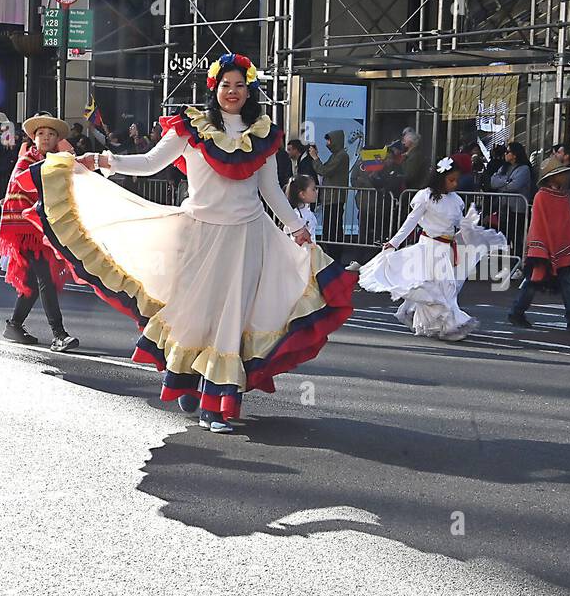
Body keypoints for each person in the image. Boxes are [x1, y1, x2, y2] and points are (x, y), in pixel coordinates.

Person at [60, 52, 352, 434]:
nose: (232, 92)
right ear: (214, 88)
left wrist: (296, 225)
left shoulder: (263, 132)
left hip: (248, 235)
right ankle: (186, 380)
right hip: (199, 233)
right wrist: (101, 160)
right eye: (226, 85)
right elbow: (150, 163)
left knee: (233, 315)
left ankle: (215, 403)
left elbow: (269, 190)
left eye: (240, 86)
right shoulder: (189, 126)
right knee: (196, 313)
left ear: (250, 91)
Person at [359, 156, 508, 340]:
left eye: (456, 180)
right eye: (451, 180)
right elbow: (411, 221)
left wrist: (472, 230)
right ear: (440, 179)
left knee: (447, 287)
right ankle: (449, 325)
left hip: (446, 249)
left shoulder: (456, 200)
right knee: (439, 287)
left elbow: (459, 226)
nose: (454, 184)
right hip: (429, 247)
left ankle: (436, 322)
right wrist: (394, 242)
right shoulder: (426, 197)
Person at [0, 113, 81, 353]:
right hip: (27, 230)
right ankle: (58, 334)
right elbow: (19, 190)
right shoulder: (27, 161)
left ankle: (14, 325)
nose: (45, 137)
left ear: (56, 140)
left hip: (44, 228)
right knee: (46, 279)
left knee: (33, 282)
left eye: (51, 134)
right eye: (41, 133)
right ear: (34, 138)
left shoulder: (57, 162)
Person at [507, 156, 570, 331]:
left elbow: (565, 225)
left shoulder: (563, 197)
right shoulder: (541, 196)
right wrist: (541, 247)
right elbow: (538, 224)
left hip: (561, 249)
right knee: (533, 282)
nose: (566, 176)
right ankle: (517, 312)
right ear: (553, 177)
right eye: (562, 174)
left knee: (567, 282)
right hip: (542, 248)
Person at [313, 129, 350, 260]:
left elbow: (325, 170)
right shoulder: (335, 155)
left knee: (333, 226)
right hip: (330, 197)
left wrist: (316, 158)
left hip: (335, 197)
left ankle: (335, 253)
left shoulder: (341, 156)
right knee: (329, 225)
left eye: (329, 141)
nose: (327, 144)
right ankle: (331, 251)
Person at [289, 174, 320, 241]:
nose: (316, 192)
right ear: (302, 194)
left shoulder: (307, 211)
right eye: (313, 189)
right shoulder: (296, 215)